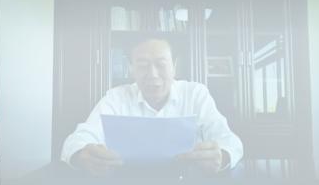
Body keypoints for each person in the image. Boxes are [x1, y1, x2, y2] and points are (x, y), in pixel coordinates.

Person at [61, 37, 243, 174]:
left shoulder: (195, 94)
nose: (153, 74)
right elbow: (79, 138)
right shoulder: (116, 97)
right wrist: (82, 156)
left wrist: (222, 156)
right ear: (131, 69)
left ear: (174, 66)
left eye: (161, 64)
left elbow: (230, 140)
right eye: (142, 65)